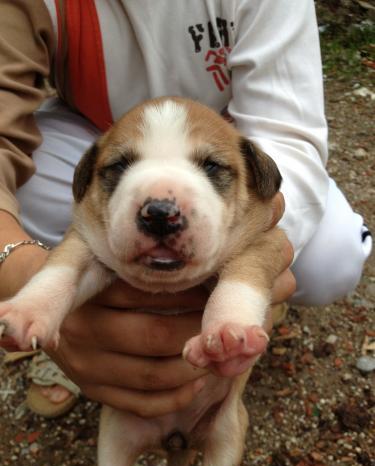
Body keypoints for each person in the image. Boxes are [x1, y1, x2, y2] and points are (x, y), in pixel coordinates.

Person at [0, 0, 371, 417]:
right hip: (94, 133)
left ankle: (227, 303)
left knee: (331, 255)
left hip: (230, 141)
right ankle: (85, 315)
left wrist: (251, 254)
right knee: (28, 188)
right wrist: (16, 266)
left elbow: (286, 137)